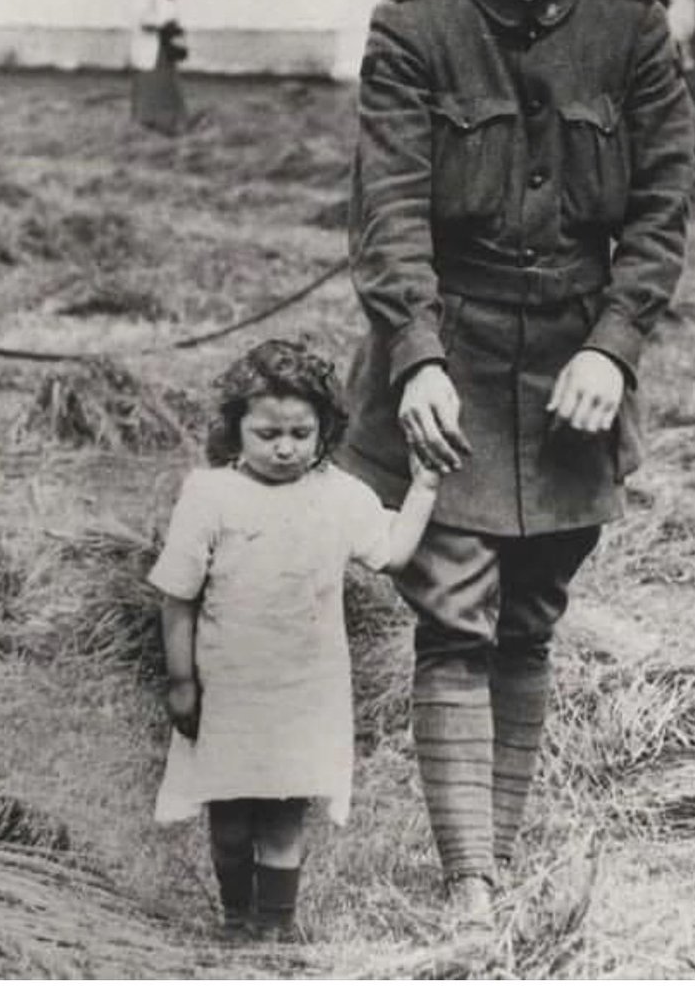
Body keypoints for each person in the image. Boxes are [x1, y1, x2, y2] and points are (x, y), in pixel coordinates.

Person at [339, 0, 694, 929]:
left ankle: (502, 844)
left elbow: (661, 210)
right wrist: (416, 356)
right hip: (446, 353)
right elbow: (387, 207)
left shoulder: (631, 28)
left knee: (530, 619)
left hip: (574, 377)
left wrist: (616, 343)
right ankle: (471, 889)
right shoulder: (414, 29)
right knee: (456, 613)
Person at [148, 339, 441, 941]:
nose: (285, 448)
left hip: (305, 693)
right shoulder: (210, 495)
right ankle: (235, 919)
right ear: (236, 431)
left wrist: (426, 488)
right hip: (227, 691)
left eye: (301, 434)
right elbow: (177, 595)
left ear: (324, 431)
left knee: (284, 816)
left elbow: (393, 553)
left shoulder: (337, 495)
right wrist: (181, 682)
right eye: (267, 433)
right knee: (229, 818)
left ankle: (275, 931)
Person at [130, 0, 189, 136]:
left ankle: (171, 119)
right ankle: (146, 119)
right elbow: (142, 17)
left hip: (164, 42)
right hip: (151, 42)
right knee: (150, 80)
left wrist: (174, 26)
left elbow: (170, 12)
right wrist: (158, 25)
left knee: (168, 80)